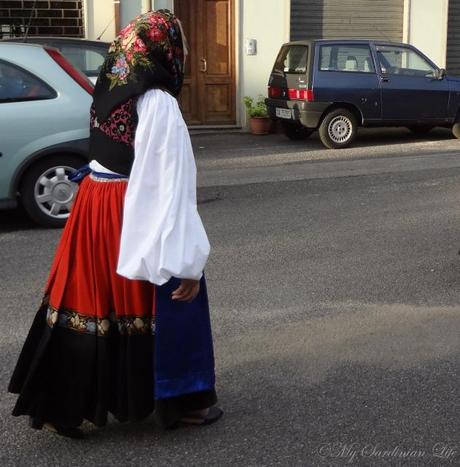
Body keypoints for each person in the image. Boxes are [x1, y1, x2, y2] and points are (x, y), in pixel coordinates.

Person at [8, 10, 222, 439]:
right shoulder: (158, 101)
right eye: (180, 44)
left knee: (86, 301)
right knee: (169, 299)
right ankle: (181, 402)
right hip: (130, 208)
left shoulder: (110, 87)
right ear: (164, 51)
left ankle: (59, 405)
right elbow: (171, 186)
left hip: (93, 204)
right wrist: (187, 263)